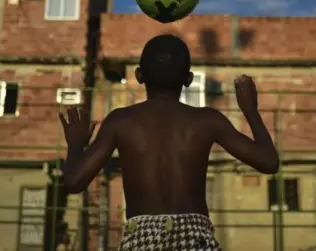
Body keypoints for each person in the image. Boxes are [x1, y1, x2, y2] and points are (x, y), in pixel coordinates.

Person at [59, 34, 280, 250]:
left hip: (141, 239)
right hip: (195, 238)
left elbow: (73, 181)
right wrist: (250, 112)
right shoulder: (207, 120)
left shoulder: (121, 121)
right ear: (189, 79)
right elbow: (269, 162)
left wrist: (76, 144)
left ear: (139, 75)